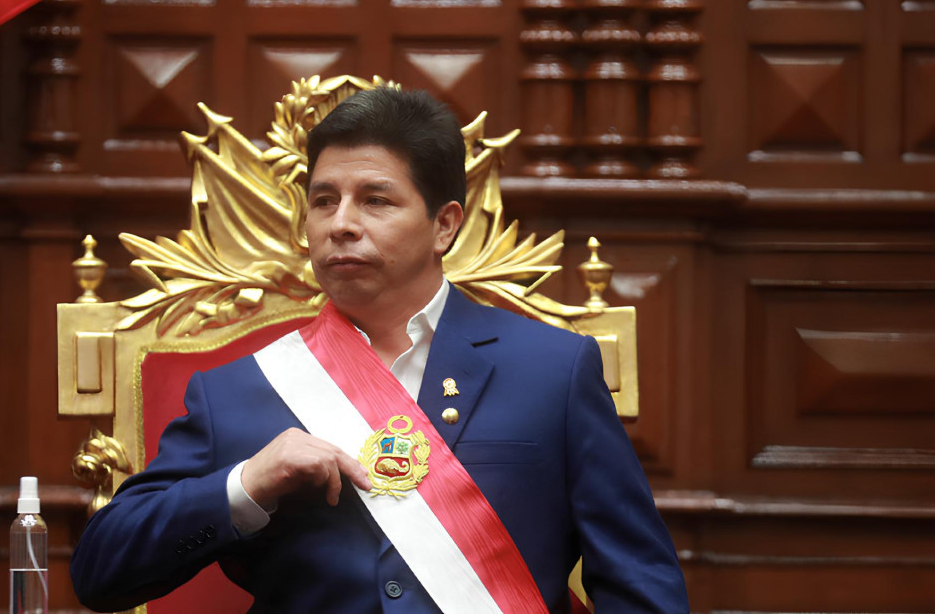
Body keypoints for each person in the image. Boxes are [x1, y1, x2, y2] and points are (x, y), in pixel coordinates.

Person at [71, 87, 688, 613]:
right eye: (323, 200)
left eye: (375, 200)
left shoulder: (553, 370)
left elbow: (639, 584)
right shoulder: (236, 389)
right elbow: (101, 572)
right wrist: (247, 484)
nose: (340, 223)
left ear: (445, 224)